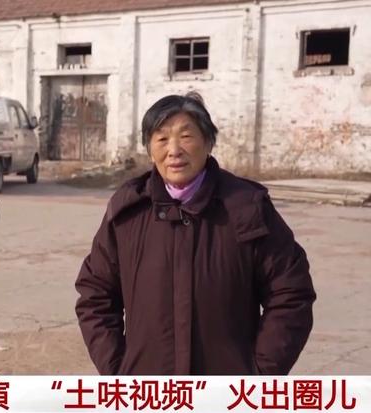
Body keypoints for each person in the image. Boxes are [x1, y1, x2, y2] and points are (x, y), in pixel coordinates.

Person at [75, 92, 316, 375]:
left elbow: (290, 293)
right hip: (147, 388)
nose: (174, 150)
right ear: (150, 149)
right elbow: (95, 294)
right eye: (162, 139)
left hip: (226, 390)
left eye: (186, 136)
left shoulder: (246, 207)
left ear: (208, 142)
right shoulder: (128, 213)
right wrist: (118, 370)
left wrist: (260, 375)